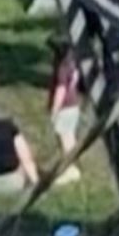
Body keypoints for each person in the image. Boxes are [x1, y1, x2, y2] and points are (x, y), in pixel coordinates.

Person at [44, 36, 84, 187]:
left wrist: (54, 110)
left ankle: (70, 170)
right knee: (70, 138)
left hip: (64, 108)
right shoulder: (73, 64)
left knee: (64, 139)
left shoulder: (61, 68)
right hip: (74, 105)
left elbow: (60, 90)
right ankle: (73, 167)